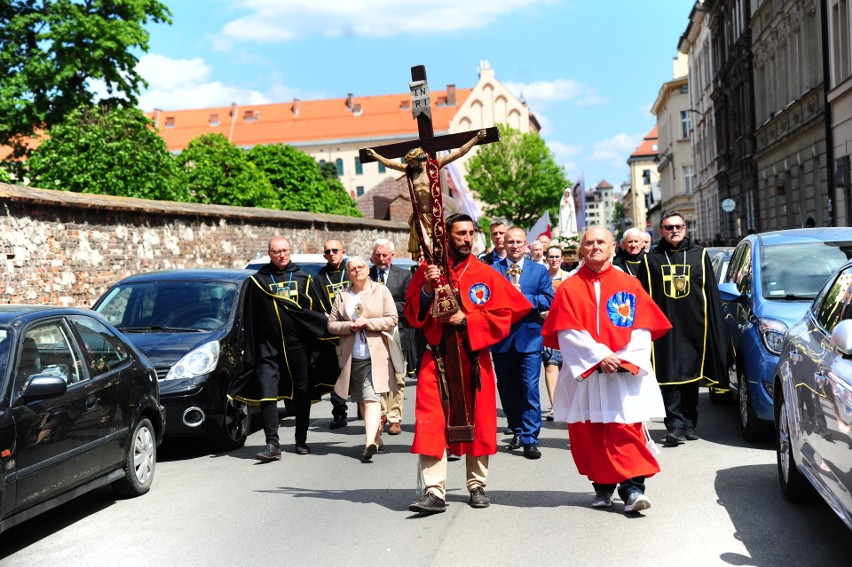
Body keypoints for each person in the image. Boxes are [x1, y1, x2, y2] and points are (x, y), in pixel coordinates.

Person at [405, 213, 531, 514]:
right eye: (460, 233)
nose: (466, 238)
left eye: (470, 233)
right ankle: (434, 491)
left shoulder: (484, 272)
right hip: (435, 359)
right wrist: (425, 288)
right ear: (446, 236)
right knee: (430, 421)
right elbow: (412, 314)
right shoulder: (427, 269)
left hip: (474, 359)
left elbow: (508, 312)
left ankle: (477, 485)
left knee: (480, 421)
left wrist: (469, 320)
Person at [542, 227, 672, 513]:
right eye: (589, 243)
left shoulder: (630, 285)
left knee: (626, 429)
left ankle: (633, 489)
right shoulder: (568, 289)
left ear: (614, 247)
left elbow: (642, 329)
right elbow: (567, 332)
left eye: (601, 242)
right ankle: (602, 487)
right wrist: (600, 357)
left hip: (622, 376)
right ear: (581, 250)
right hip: (588, 374)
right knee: (592, 432)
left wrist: (622, 360)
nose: (595, 247)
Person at [232, 236, 336, 461]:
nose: (282, 255)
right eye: (277, 251)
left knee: (302, 393)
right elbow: (249, 317)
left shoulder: (303, 278)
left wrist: (315, 350)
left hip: (298, 347)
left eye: (285, 250)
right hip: (268, 348)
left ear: (290, 251)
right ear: (270, 254)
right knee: (267, 394)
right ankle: (272, 444)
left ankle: (301, 440)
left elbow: (314, 314)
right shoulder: (258, 281)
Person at [637, 211, 730, 446]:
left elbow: (710, 291)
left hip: (695, 326)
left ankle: (689, 422)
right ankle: (675, 425)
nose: (674, 230)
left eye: (678, 226)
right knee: (668, 377)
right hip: (664, 328)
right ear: (661, 231)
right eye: (669, 227)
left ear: (685, 228)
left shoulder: (700, 255)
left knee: (690, 378)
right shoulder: (651, 260)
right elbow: (641, 297)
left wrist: (716, 327)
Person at [366, 130, 486, 257]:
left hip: (435, 214)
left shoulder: (435, 166)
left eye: (412, 161)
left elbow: (460, 152)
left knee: (440, 246)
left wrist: (476, 138)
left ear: (418, 159)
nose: (410, 164)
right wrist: (375, 155)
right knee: (425, 247)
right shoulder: (411, 171)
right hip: (421, 215)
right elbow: (390, 164)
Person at [491, 226, 554, 459]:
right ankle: (516, 428)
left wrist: (522, 297)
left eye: (519, 242)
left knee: (529, 389)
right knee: (507, 389)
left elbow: (549, 298)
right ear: (503, 245)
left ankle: (530, 438)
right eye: (510, 242)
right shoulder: (492, 270)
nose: (515, 246)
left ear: (526, 245)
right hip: (502, 339)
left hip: (530, 338)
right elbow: (484, 299)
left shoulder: (538, 271)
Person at [327, 257, 399, 460]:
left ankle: (369, 443)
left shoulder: (380, 291)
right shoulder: (342, 296)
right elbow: (331, 325)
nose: (356, 271)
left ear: (368, 270)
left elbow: (392, 318)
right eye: (352, 269)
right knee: (360, 399)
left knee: (371, 397)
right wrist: (350, 326)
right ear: (348, 273)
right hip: (351, 356)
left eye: (360, 267)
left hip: (376, 354)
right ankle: (377, 437)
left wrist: (368, 323)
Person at [369, 238, 412, 436]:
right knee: (377, 378)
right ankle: (381, 414)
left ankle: (395, 418)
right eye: (377, 254)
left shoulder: (403, 276)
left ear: (392, 256)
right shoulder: (366, 275)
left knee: (398, 377)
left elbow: (408, 304)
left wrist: (384, 309)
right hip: (372, 335)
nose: (381, 258)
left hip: (397, 332)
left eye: (385, 255)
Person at [312, 239, 351, 430]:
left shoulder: (352, 270)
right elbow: (318, 305)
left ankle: (364, 407)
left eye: (335, 250)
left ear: (343, 251)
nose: (331, 254)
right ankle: (339, 413)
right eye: (327, 252)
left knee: (359, 370)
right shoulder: (319, 278)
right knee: (337, 375)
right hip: (333, 332)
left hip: (355, 329)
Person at [541, 244, 571, 420]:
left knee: (568, 367)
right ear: (546, 259)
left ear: (562, 259)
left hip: (566, 326)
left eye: (556, 256)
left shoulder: (569, 277)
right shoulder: (542, 278)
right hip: (548, 326)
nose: (553, 259)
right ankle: (555, 406)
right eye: (550, 256)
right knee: (551, 365)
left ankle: (568, 403)